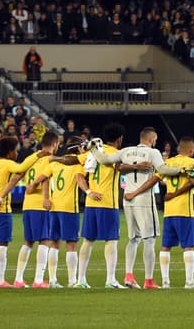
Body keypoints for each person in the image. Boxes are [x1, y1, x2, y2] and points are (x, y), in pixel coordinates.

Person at [126, 137, 194, 289]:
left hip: (169, 211)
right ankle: (189, 282)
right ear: (191, 150)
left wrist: (135, 192)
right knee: (188, 246)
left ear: (178, 149)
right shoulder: (192, 164)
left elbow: (153, 180)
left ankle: (165, 282)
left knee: (166, 247)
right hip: (185, 211)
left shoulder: (167, 163)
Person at [117, 127, 188, 289]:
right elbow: (162, 170)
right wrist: (181, 170)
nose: (155, 142)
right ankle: (149, 280)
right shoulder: (153, 152)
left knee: (133, 238)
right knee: (149, 239)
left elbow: (116, 165)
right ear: (151, 139)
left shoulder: (127, 151)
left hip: (127, 198)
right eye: (155, 139)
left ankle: (129, 275)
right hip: (143, 199)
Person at [75, 123, 142, 289]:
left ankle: (80, 280)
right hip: (107, 203)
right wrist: (137, 166)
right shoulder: (115, 154)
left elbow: (79, 175)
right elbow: (122, 169)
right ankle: (110, 280)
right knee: (111, 240)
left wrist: (89, 192)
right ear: (119, 139)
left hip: (91, 203)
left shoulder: (93, 152)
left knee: (88, 241)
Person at [0, 137, 46, 288]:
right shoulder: (7, 163)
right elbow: (21, 168)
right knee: (2, 245)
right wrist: (37, 155)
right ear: (9, 153)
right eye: (15, 150)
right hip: (2, 210)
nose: (17, 153)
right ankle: (0, 281)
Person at [14, 131, 61, 288]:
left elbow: (20, 172)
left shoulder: (31, 158)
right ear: (54, 144)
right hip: (40, 204)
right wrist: (47, 198)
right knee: (45, 240)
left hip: (27, 204)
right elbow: (45, 179)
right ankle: (39, 280)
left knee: (28, 241)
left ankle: (18, 279)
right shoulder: (49, 159)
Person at [46, 138, 86, 287]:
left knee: (54, 243)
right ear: (77, 149)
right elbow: (81, 179)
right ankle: (72, 281)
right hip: (69, 207)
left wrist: (46, 197)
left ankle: (52, 280)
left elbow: (42, 178)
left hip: (55, 206)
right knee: (71, 244)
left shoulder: (55, 164)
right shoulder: (78, 165)